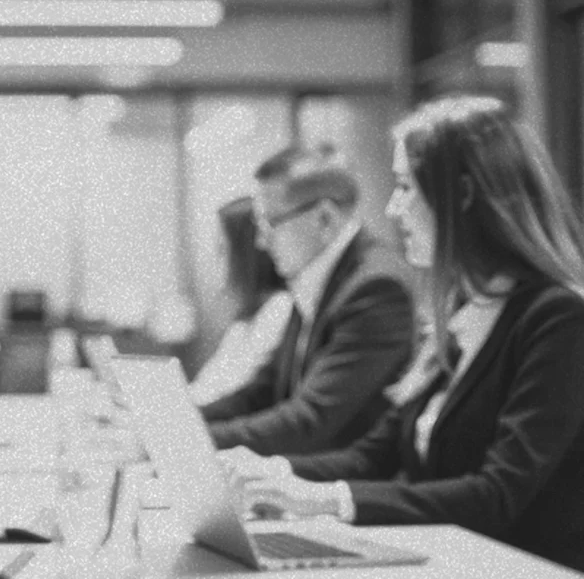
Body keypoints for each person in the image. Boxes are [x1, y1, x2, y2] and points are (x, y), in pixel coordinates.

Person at [230, 95, 584, 572]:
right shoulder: (465, 312)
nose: (393, 209)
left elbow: (497, 494)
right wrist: (273, 474)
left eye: (404, 187)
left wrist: (327, 500)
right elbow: (376, 454)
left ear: (461, 195)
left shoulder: (558, 318)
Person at [201, 145, 417, 455]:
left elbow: (310, 420)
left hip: (350, 487)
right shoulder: (316, 278)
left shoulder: (376, 287)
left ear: (324, 219)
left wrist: (190, 443)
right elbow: (263, 391)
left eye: (269, 223)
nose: (261, 242)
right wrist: (179, 427)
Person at [188, 196, 291, 406]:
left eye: (221, 250)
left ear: (245, 255)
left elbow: (233, 396)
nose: (215, 261)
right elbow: (205, 388)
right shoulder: (245, 322)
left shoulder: (279, 309)